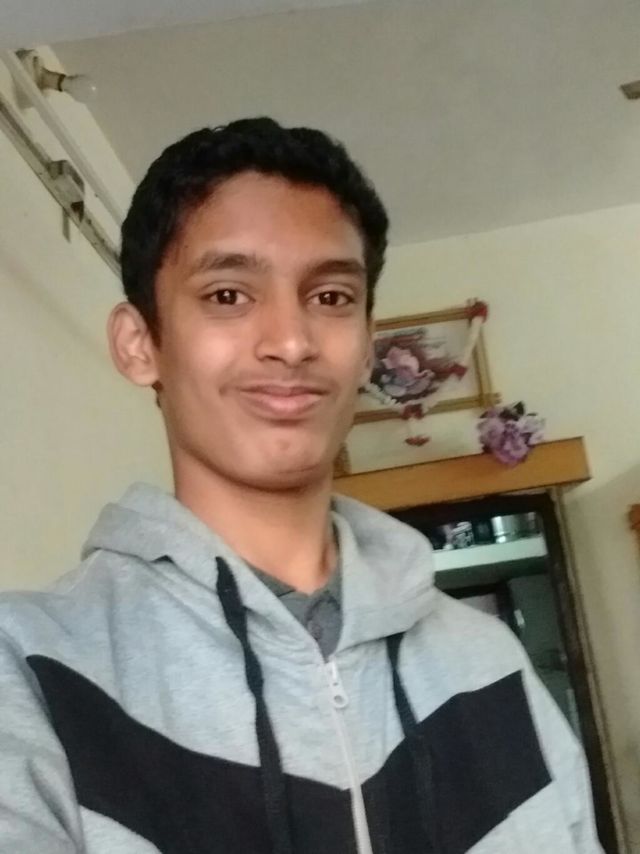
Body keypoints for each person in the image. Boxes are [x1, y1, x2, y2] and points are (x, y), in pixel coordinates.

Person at [0, 118, 603, 854]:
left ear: (366, 347)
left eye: (331, 297)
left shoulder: (489, 667)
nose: (291, 341)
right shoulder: (32, 669)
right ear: (140, 343)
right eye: (228, 294)